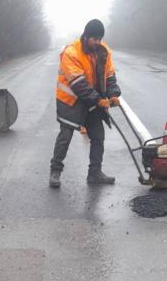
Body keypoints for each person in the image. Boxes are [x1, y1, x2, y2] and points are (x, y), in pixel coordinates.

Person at [49, 19, 121, 188]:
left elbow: (109, 74)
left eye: (100, 39)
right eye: (95, 39)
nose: (98, 42)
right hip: (71, 100)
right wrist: (98, 99)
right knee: (65, 136)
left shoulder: (103, 51)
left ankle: (95, 173)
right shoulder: (72, 52)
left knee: (98, 136)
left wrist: (113, 94)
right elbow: (78, 84)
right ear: (86, 36)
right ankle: (55, 171)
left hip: (92, 100)